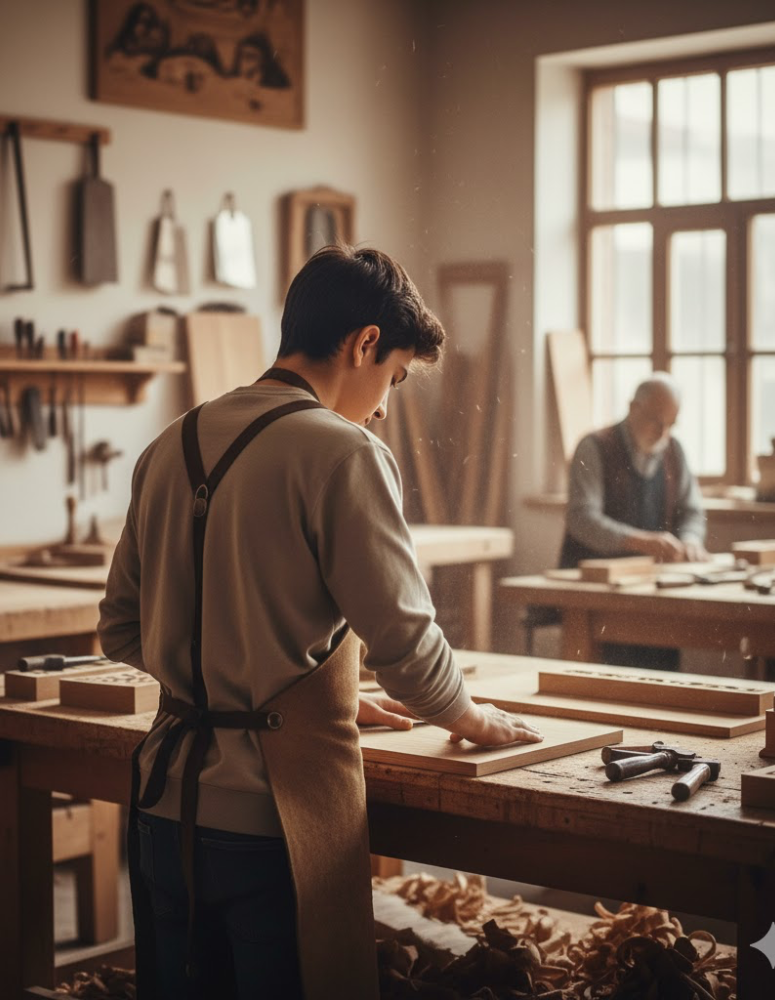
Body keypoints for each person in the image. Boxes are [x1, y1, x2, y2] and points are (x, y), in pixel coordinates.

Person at [98, 244, 543, 1000]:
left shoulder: (168, 444)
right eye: (394, 378)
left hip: (160, 805)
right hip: (273, 817)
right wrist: (469, 716)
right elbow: (404, 641)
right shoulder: (344, 453)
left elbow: (122, 629)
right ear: (365, 342)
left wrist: (281, 693)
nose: (382, 406)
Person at [558, 372, 708, 669]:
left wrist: (691, 540)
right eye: (656, 421)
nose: (663, 432)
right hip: (598, 593)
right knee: (604, 679)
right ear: (632, 408)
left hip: (654, 590)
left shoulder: (673, 451)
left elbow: (692, 511)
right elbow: (582, 518)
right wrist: (641, 541)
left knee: (662, 679)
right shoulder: (594, 446)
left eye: (671, 424)